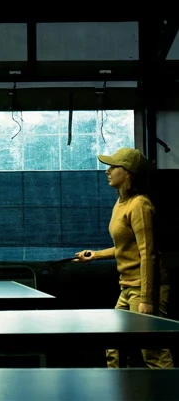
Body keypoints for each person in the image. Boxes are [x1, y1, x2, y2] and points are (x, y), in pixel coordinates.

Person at [74, 147, 173, 369]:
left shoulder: (140, 204)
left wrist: (147, 299)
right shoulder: (120, 204)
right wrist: (95, 255)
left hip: (145, 287)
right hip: (127, 286)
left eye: (113, 167)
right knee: (113, 342)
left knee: (152, 350)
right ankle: (117, 392)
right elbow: (125, 247)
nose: (107, 171)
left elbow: (146, 252)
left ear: (127, 172)